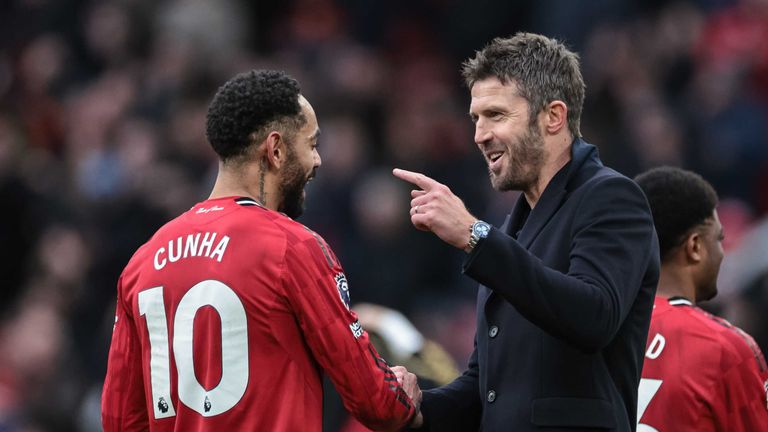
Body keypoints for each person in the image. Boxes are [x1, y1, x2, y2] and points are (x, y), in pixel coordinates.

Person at [101, 70, 420, 431]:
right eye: (312, 145)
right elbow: (376, 403)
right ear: (276, 149)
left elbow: (120, 422)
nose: (318, 161)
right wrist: (403, 396)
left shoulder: (142, 263)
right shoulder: (293, 247)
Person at [392, 33, 660, 431]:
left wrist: (474, 235)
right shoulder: (510, 228)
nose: (480, 134)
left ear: (553, 116)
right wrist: (407, 408)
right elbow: (485, 392)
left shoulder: (611, 197)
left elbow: (594, 315)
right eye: (476, 118)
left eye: (496, 115)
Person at [635, 166, 768, 431]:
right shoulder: (724, 349)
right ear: (695, 247)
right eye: (719, 239)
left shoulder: (591, 332)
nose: (722, 253)